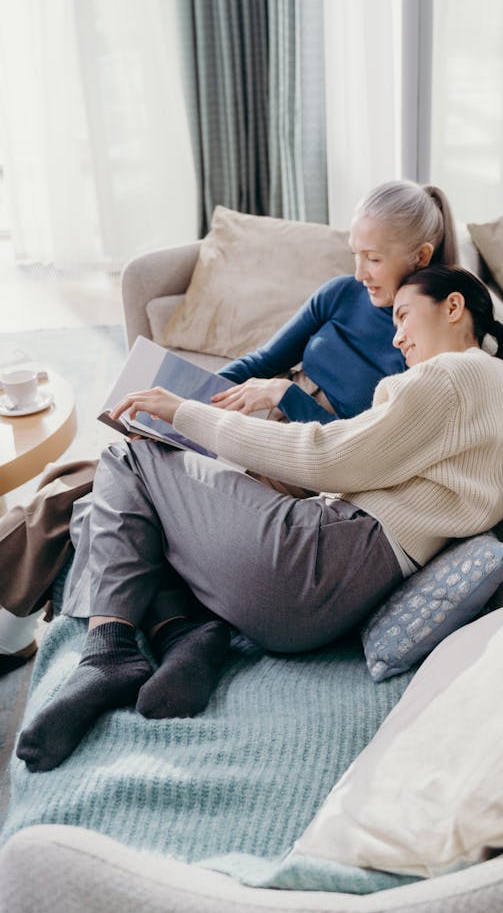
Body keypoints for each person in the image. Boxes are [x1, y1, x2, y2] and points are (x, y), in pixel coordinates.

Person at [16, 266, 503, 773]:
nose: (398, 337)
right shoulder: (486, 392)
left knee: (126, 459)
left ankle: (109, 652)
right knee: (111, 507)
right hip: (323, 601)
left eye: (403, 316)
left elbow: (330, 456)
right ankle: (183, 636)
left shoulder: (455, 374)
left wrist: (186, 413)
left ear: (453, 307)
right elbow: (357, 468)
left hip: (315, 559)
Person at [0, 180, 458, 673]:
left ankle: (18, 630)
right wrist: (185, 397)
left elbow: (353, 452)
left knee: (88, 491)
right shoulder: (340, 294)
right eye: (354, 254)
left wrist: (289, 398)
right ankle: (35, 631)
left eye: (372, 258)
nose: (359, 272)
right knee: (91, 478)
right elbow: (263, 359)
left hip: (304, 463)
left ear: (420, 256)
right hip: (258, 426)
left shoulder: (425, 345)